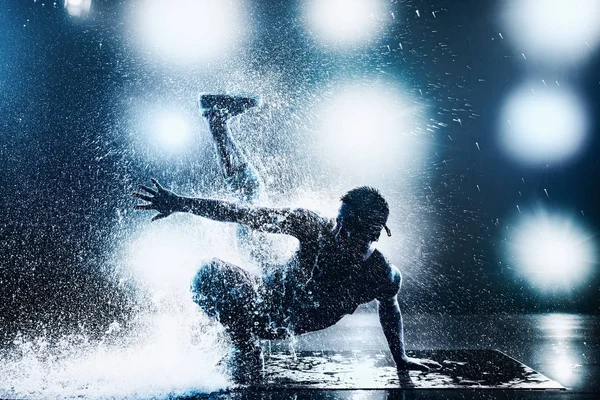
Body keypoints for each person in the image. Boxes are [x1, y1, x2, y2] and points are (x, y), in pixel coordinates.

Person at [132, 94, 441, 383]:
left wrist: (400, 358)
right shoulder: (313, 227)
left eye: (346, 229)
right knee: (218, 257)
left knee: (249, 200)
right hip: (263, 292)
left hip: (286, 310)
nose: (336, 231)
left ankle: (216, 117)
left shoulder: (380, 273)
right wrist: (180, 203)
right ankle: (216, 119)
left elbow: (390, 306)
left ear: (372, 235)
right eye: (338, 221)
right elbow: (237, 214)